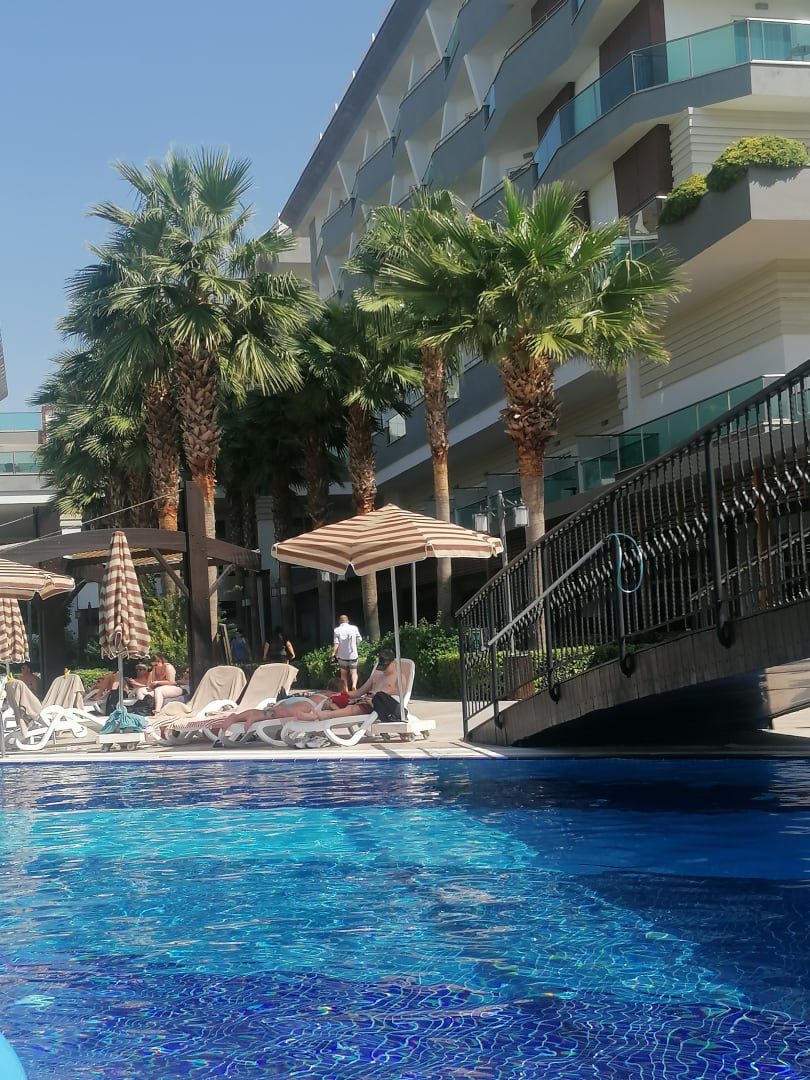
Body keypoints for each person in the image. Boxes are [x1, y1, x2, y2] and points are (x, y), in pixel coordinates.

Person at [208, 678, 346, 742]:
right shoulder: (333, 696)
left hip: (292, 701)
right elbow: (332, 706)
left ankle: (238, 716)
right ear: (340, 689)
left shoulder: (321, 692)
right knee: (273, 714)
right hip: (305, 705)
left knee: (272, 712)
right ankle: (250, 716)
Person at [331, 614, 363, 691]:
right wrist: (355, 645)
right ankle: (354, 685)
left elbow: (336, 643)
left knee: (343, 674)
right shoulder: (354, 628)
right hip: (353, 655)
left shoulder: (337, 630)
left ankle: (345, 690)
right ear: (348, 621)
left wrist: (333, 653)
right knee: (354, 672)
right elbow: (359, 639)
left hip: (342, 656)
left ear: (339, 621)